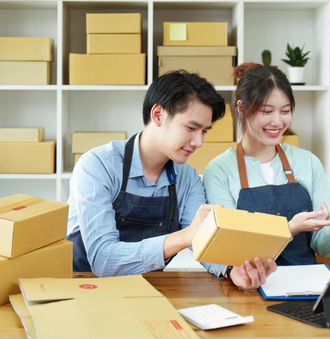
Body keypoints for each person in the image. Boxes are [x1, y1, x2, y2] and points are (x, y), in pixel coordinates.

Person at [67, 70, 277, 287]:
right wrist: (184, 237)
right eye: (191, 128)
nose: (198, 142)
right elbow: (104, 260)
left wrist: (231, 270)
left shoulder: (187, 177)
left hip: (151, 290)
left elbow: (201, 240)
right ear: (158, 115)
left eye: (204, 131)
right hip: (86, 289)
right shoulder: (98, 166)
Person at [202, 63, 330, 284]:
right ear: (242, 109)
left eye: (285, 111)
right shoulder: (219, 170)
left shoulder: (308, 162)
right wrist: (290, 229)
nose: (278, 122)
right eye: (267, 111)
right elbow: (230, 247)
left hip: (305, 287)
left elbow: (323, 246)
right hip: (248, 287)